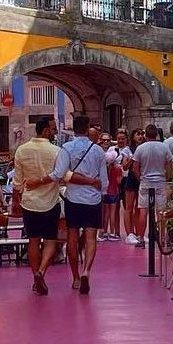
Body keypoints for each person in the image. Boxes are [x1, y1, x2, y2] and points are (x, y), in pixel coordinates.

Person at [32, 115, 106, 294]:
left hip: (73, 199)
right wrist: (98, 191)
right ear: (87, 127)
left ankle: (75, 278)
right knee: (90, 238)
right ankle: (87, 271)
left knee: (72, 236)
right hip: (93, 199)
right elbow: (104, 181)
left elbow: (59, 174)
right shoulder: (97, 151)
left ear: (73, 128)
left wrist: (39, 181)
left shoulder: (66, 148)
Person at [13, 116, 61, 295]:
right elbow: (60, 175)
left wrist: (16, 201)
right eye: (53, 128)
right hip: (50, 201)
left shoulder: (21, 150)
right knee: (50, 241)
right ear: (46, 130)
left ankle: (35, 275)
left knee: (32, 240)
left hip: (29, 202)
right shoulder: (56, 151)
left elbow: (17, 182)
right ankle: (41, 271)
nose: (54, 131)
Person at [131, 124, 173, 248]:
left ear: (146, 135)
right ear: (156, 134)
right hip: (160, 181)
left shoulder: (140, 148)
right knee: (160, 211)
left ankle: (140, 238)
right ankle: (163, 239)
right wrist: (167, 177)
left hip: (145, 181)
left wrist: (140, 178)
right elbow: (169, 164)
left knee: (143, 210)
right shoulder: (164, 147)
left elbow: (135, 167)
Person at [99, 131, 123, 242]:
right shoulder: (117, 167)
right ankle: (112, 232)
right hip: (112, 190)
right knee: (110, 212)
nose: (106, 142)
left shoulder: (101, 161)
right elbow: (119, 180)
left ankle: (103, 232)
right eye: (104, 140)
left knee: (105, 212)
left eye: (107, 140)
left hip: (104, 189)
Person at [122, 128, 145, 244]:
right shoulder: (127, 150)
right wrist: (132, 159)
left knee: (139, 207)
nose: (140, 136)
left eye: (141, 134)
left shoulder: (144, 148)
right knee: (129, 207)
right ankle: (129, 233)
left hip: (141, 178)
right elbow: (124, 166)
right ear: (133, 137)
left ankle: (139, 232)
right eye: (138, 134)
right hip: (131, 178)